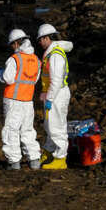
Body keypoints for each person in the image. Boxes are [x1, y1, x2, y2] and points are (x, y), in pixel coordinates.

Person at [0, 28, 42, 170]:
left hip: (13, 100)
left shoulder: (15, 59)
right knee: (28, 130)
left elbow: (8, 78)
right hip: (28, 101)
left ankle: (14, 162)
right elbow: (34, 80)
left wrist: (1, 74)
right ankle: (34, 160)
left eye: (12, 44)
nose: (12, 47)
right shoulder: (36, 60)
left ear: (17, 43)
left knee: (11, 130)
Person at [36, 23, 73, 170]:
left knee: (57, 126)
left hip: (57, 95)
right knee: (49, 125)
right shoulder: (51, 53)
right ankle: (50, 151)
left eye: (40, 39)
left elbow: (56, 81)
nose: (39, 42)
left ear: (46, 38)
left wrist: (50, 98)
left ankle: (60, 158)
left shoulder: (56, 55)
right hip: (52, 94)